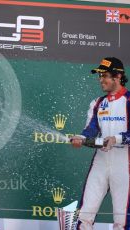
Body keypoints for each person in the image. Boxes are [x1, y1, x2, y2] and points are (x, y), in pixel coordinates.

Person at [71, 57, 129, 230]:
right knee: (84, 214)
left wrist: (116, 138)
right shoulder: (97, 103)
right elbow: (90, 130)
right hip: (101, 162)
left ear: (118, 77)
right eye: (100, 75)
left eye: (105, 75)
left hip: (125, 163)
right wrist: (80, 138)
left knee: (122, 218)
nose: (100, 79)